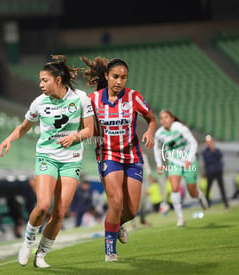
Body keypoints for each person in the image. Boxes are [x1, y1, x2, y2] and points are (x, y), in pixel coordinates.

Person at [0, 55, 94, 268]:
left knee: (59, 213)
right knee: (42, 206)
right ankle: (27, 243)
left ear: (58, 80)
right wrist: (9, 139)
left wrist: (75, 136)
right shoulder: (39, 103)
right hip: (47, 156)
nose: (40, 85)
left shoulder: (80, 98)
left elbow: (89, 130)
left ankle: (41, 255)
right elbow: (23, 128)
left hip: (71, 160)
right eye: (40, 80)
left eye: (44, 80)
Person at [80, 56, 157, 262]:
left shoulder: (134, 97)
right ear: (107, 76)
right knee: (115, 203)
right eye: (115, 76)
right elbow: (87, 126)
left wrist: (150, 132)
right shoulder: (94, 100)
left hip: (132, 157)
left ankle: (118, 223)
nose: (119, 81)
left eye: (123, 77)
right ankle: (110, 251)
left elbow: (151, 119)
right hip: (108, 155)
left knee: (131, 211)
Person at [153, 110, 208, 227]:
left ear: (172, 118)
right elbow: (156, 149)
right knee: (174, 188)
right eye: (161, 118)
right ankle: (180, 218)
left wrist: (189, 158)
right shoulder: (159, 134)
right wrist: (159, 164)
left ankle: (200, 196)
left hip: (189, 162)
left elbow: (193, 142)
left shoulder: (180, 128)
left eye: (166, 117)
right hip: (174, 163)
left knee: (192, 192)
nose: (163, 120)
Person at [202, 135, 229, 208]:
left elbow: (219, 156)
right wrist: (213, 155)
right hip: (210, 172)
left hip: (218, 171)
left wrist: (213, 152)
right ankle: (207, 203)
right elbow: (208, 160)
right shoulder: (205, 152)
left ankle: (226, 202)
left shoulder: (217, 150)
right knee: (208, 188)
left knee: (222, 188)